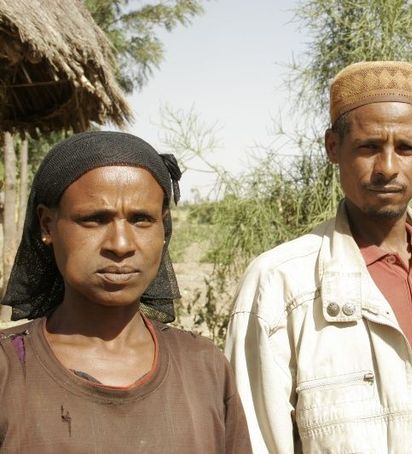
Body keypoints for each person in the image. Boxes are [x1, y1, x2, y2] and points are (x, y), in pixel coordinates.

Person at [224, 61, 412, 453]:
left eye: (406, 148)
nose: (388, 168)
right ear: (333, 147)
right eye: (369, 147)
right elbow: (255, 437)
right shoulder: (280, 283)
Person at [0, 131, 252, 453]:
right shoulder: (9, 371)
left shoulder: (204, 368)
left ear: (163, 228)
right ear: (48, 226)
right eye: (95, 219)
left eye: (141, 219)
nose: (121, 244)